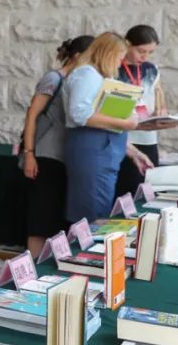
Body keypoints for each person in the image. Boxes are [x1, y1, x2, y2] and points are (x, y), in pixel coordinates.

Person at [63, 32, 153, 223]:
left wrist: (134, 152)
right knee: (92, 213)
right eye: (120, 58)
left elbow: (102, 117)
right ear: (108, 54)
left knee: (99, 208)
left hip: (103, 151)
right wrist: (126, 123)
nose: (120, 64)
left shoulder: (95, 75)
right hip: (93, 151)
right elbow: (79, 113)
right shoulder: (87, 74)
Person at [21, 35, 94, 257]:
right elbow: (32, 115)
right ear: (77, 56)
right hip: (46, 155)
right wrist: (30, 154)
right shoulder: (54, 78)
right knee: (42, 219)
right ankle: (35, 267)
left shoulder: (78, 81)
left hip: (65, 156)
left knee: (55, 220)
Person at [114, 25, 178, 198]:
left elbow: (158, 99)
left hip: (148, 139)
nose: (145, 57)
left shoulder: (151, 69)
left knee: (146, 190)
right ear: (127, 44)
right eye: (141, 51)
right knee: (124, 191)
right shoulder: (113, 69)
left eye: (150, 52)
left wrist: (162, 113)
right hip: (124, 138)